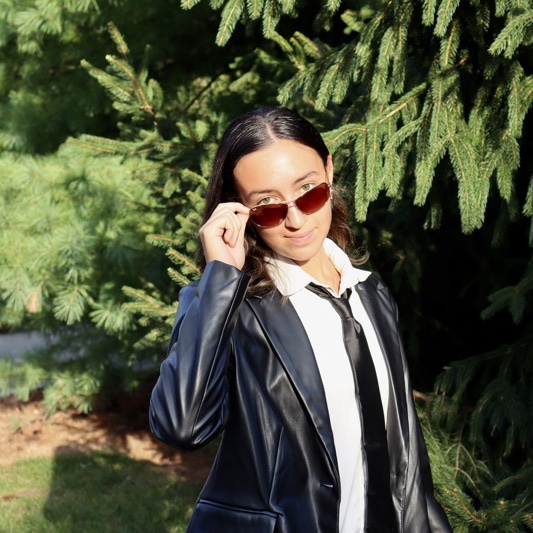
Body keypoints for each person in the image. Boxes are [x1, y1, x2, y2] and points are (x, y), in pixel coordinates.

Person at [149, 106, 452, 532]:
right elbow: (181, 426)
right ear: (240, 212)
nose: (295, 219)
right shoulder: (234, 309)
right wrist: (220, 281)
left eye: (308, 191)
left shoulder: (372, 293)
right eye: (268, 206)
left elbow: (407, 466)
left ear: (329, 171)